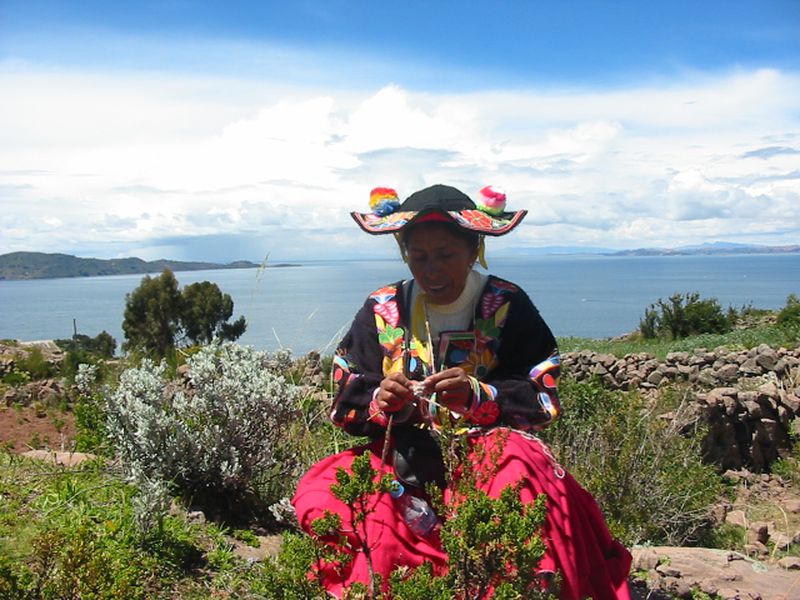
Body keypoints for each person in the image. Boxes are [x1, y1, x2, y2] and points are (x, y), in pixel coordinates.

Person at [292, 184, 632, 599]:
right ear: (405, 253)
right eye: (419, 257)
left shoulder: (506, 305)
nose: (431, 269)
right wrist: (385, 402)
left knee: (517, 480)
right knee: (324, 492)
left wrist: (478, 396)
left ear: (474, 251)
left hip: (493, 453)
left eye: (446, 255)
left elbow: (541, 396)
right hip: (402, 457)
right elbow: (349, 395)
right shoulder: (382, 309)